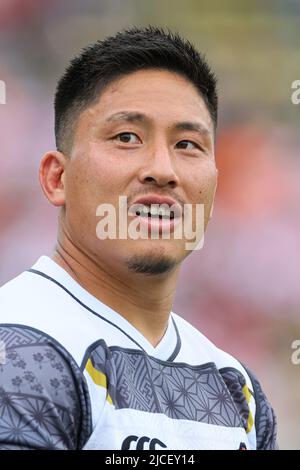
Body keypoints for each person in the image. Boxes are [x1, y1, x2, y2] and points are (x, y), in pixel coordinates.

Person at [0, 26, 277, 450]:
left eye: (187, 144)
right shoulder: (20, 348)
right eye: (127, 137)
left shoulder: (237, 389)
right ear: (58, 177)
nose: (163, 170)